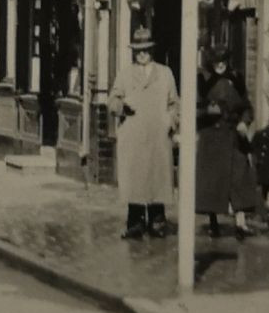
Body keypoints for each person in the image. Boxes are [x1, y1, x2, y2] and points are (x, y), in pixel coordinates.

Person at [107, 27, 178, 239]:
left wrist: (170, 121)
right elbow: (111, 100)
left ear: (152, 50)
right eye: (138, 50)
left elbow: (175, 103)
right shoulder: (125, 74)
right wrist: (121, 106)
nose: (142, 54)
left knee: (157, 178)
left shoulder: (165, 74)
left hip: (157, 136)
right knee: (136, 179)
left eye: (145, 49)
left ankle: (157, 220)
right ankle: (135, 222)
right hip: (134, 135)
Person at [195, 47, 258, 240]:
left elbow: (247, 107)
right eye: (216, 61)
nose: (220, 64)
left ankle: (241, 223)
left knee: (239, 177)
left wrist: (244, 122)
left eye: (223, 61)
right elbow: (194, 108)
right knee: (214, 181)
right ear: (211, 63)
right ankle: (213, 222)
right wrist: (207, 111)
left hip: (233, 135)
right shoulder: (203, 80)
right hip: (212, 137)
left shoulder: (236, 78)